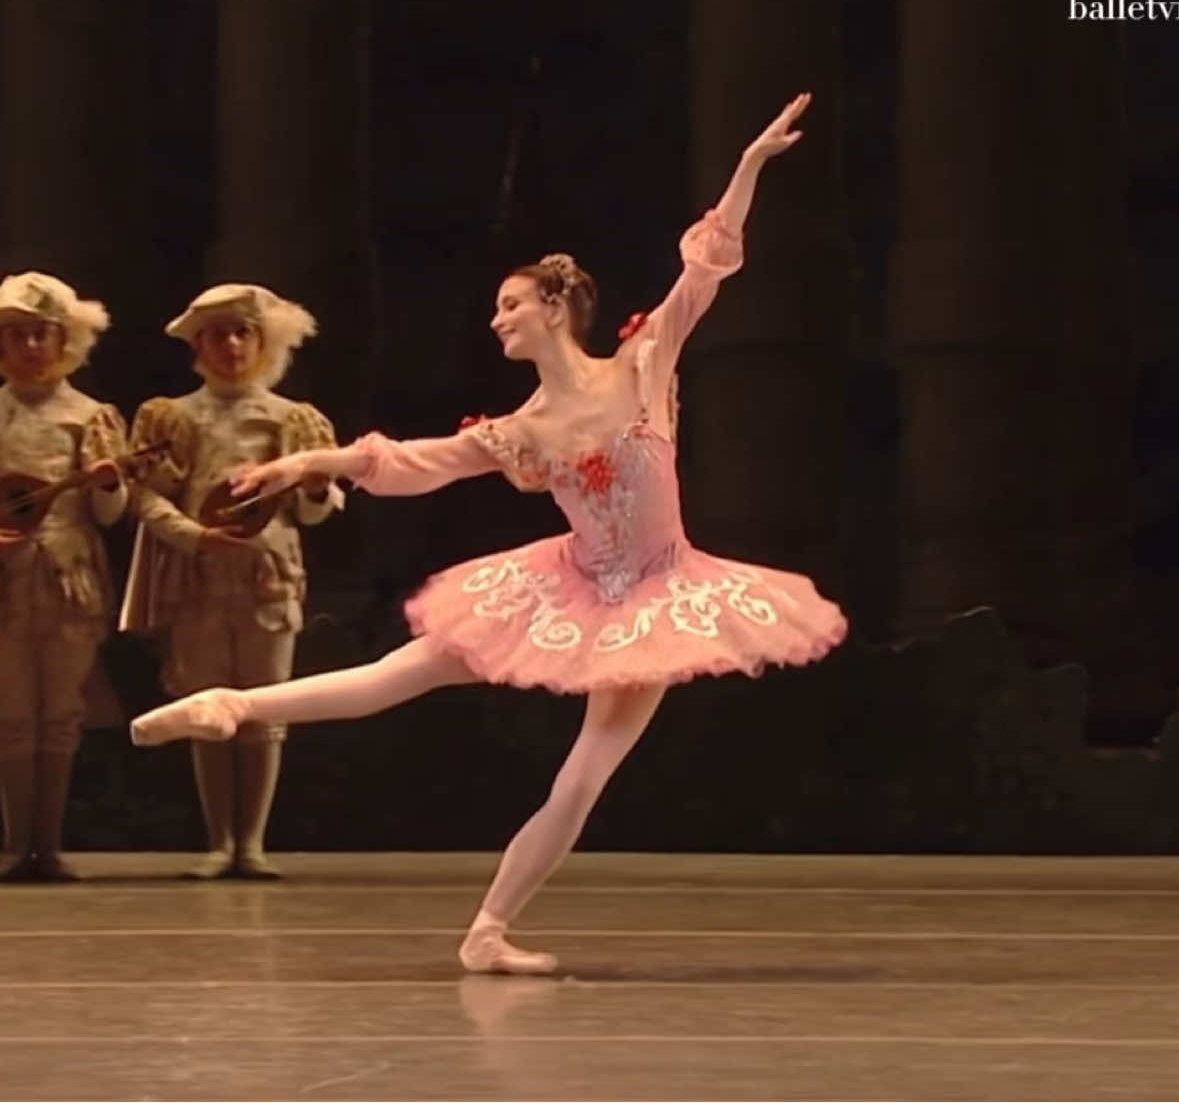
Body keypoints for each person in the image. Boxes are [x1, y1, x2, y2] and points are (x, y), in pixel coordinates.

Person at [130, 93, 848, 964]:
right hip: (571, 586)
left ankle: (487, 931)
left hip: (657, 592)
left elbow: (704, 268)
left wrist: (749, 165)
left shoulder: (643, 362)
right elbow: (406, 461)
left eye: (511, 303)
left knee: (575, 776)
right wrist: (299, 465)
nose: (497, 317)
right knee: (416, 683)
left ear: (554, 304)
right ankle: (232, 706)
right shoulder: (521, 432)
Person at [121, 285, 342, 879]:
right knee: (208, 709)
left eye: (243, 332)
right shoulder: (173, 419)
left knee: (265, 710)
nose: (232, 345)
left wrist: (317, 487)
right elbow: (144, 496)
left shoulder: (291, 420)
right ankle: (219, 841)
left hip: (269, 577)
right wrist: (193, 536)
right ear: (199, 344)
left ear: (262, 341)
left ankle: (253, 841)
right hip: (200, 579)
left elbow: (313, 510)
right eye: (218, 334)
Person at [0, 273, 129, 881]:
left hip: (68, 579)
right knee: (12, 714)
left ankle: (46, 846)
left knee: (60, 713)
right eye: (17, 335)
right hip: (3, 583)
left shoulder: (91, 416)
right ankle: (14, 843)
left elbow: (109, 514)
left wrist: (107, 484)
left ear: (64, 341)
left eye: (41, 334)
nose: (29, 347)